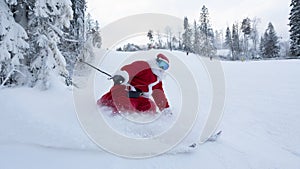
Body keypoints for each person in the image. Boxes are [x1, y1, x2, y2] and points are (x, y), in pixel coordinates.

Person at [97, 53, 170, 113]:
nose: (162, 67)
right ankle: (111, 112)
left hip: (139, 97)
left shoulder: (157, 80)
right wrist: (122, 75)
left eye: (165, 66)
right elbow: (131, 69)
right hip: (125, 92)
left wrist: (165, 108)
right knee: (125, 105)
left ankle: (145, 122)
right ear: (156, 61)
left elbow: (159, 95)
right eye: (162, 63)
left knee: (151, 108)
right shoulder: (144, 66)